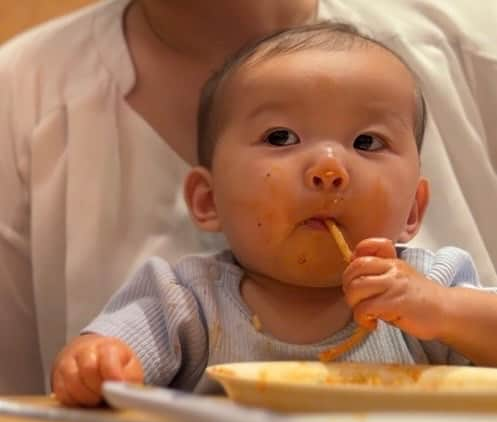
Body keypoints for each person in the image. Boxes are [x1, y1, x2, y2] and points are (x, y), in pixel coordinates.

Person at [2, 1, 497, 395]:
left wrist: (443, 311)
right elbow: (109, 352)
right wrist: (94, 359)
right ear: (207, 199)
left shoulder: (434, 285)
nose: (329, 168)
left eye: (366, 143)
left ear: (413, 209)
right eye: (281, 137)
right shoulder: (185, 299)